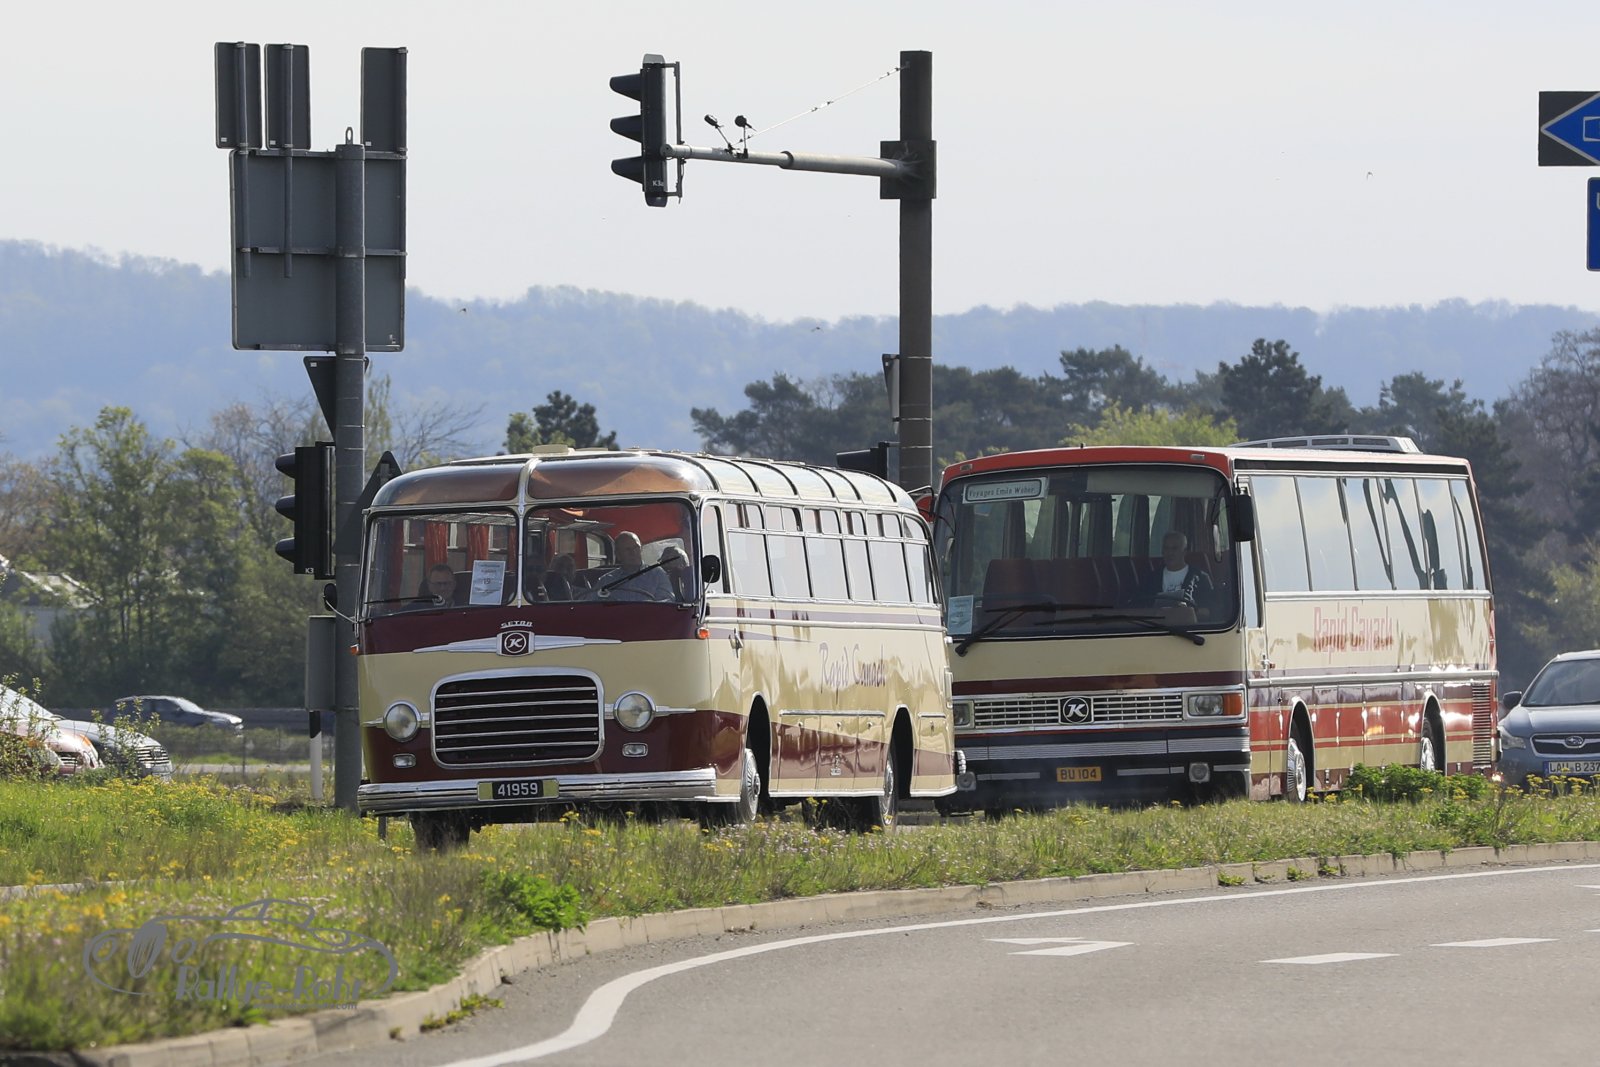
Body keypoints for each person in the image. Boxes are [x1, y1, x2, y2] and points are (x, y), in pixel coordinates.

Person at [1143, 531, 1214, 614]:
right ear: (1162, 551)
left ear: (1185, 551)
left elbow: (1210, 611)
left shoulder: (1200, 578)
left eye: (1174, 548)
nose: (1170, 553)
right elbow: (1140, 607)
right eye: (1166, 548)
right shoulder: (1151, 579)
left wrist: (1189, 611)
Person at [597, 532, 674, 601]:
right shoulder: (607, 580)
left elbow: (666, 602)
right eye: (627, 549)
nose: (633, 553)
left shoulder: (657, 574)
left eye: (636, 547)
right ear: (618, 555)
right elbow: (594, 604)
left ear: (641, 549)